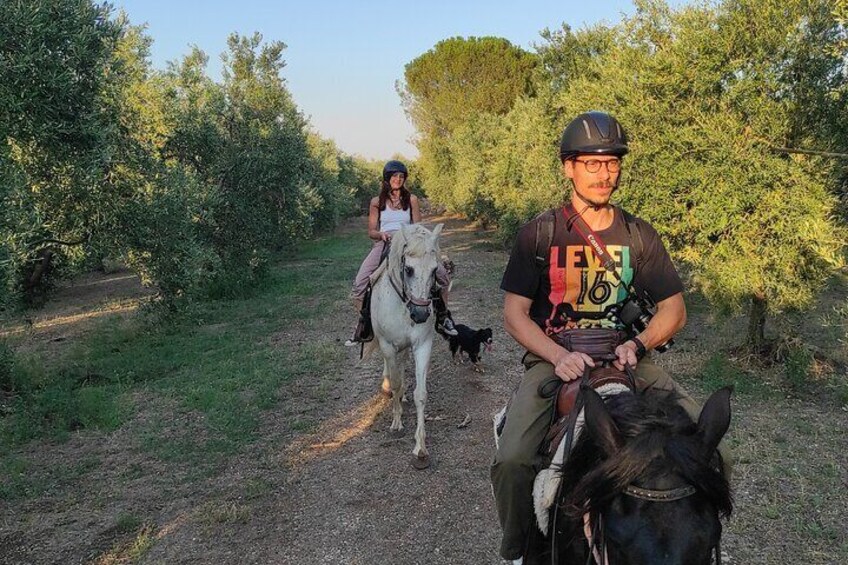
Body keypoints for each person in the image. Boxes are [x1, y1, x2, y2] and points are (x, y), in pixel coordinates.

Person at [490, 111, 732, 563]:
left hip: (625, 355)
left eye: (612, 163)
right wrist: (557, 355)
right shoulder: (539, 234)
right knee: (514, 459)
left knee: (715, 450)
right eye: (592, 163)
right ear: (569, 167)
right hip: (555, 356)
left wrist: (638, 345)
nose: (604, 173)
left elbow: (674, 309)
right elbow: (515, 315)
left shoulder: (639, 235)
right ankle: (520, 545)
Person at [344, 160, 457, 346]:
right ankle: (366, 323)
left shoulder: (411, 199)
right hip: (385, 243)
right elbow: (371, 231)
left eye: (401, 176)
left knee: (443, 277)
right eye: (394, 176)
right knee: (360, 283)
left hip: (409, 243)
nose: (398, 179)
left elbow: (418, 227)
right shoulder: (376, 202)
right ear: (387, 178)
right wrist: (381, 234)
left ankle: (443, 317)